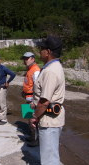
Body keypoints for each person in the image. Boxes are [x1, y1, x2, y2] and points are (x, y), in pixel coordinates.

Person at [30, 36, 65, 165]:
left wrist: (34, 117)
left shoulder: (50, 71)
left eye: (42, 49)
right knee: (50, 155)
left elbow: (44, 102)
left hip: (49, 120)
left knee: (49, 159)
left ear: (48, 52)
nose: (40, 51)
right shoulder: (52, 67)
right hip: (50, 118)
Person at [21, 52, 40, 147]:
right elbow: (28, 84)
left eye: (27, 58)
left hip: (32, 100)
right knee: (28, 118)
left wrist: (35, 101)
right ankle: (32, 137)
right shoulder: (29, 69)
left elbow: (38, 88)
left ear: (33, 58)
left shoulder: (35, 70)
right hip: (27, 98)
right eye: (24, 59)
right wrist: (23, 92)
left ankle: (36, 140)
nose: (25, 60)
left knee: (33, 121)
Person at [0, 54, 16, 125]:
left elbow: (13, 74)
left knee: (2, 104)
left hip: (1, 88)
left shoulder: (3, 68)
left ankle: (3, 119)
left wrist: (8, 82)